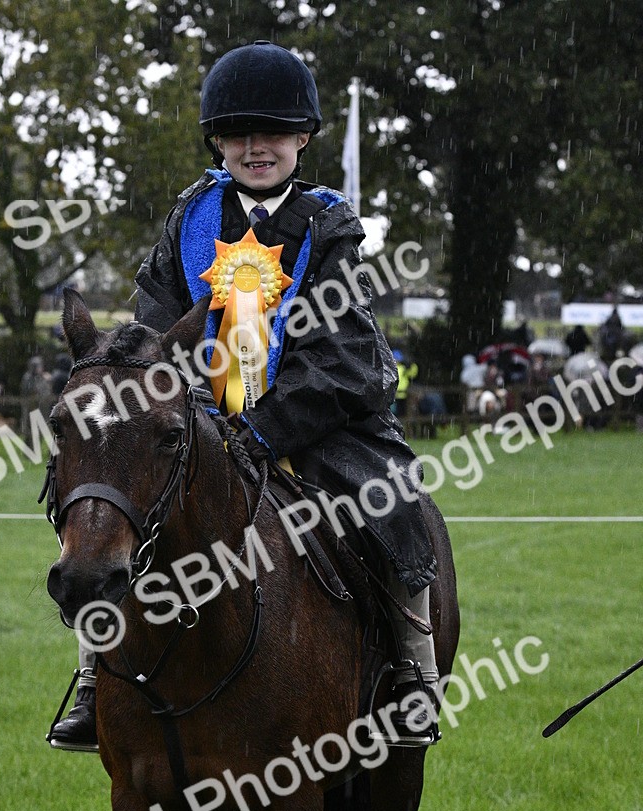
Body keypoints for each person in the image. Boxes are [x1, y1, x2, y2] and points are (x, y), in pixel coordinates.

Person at [49, 40, 441, 752]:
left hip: (315, 423)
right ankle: (91, 677)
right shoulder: (191, 217)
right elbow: (155, 325)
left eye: (271, 134)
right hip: (195, 419)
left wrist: (262, 429)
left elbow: (341, 358)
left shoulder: (328, 228)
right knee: (104, 502)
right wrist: (174, 402)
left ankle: (415, 676)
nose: (255, 148)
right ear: (219, 141)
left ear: (302, 138)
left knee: (395, 500)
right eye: (238, 135)